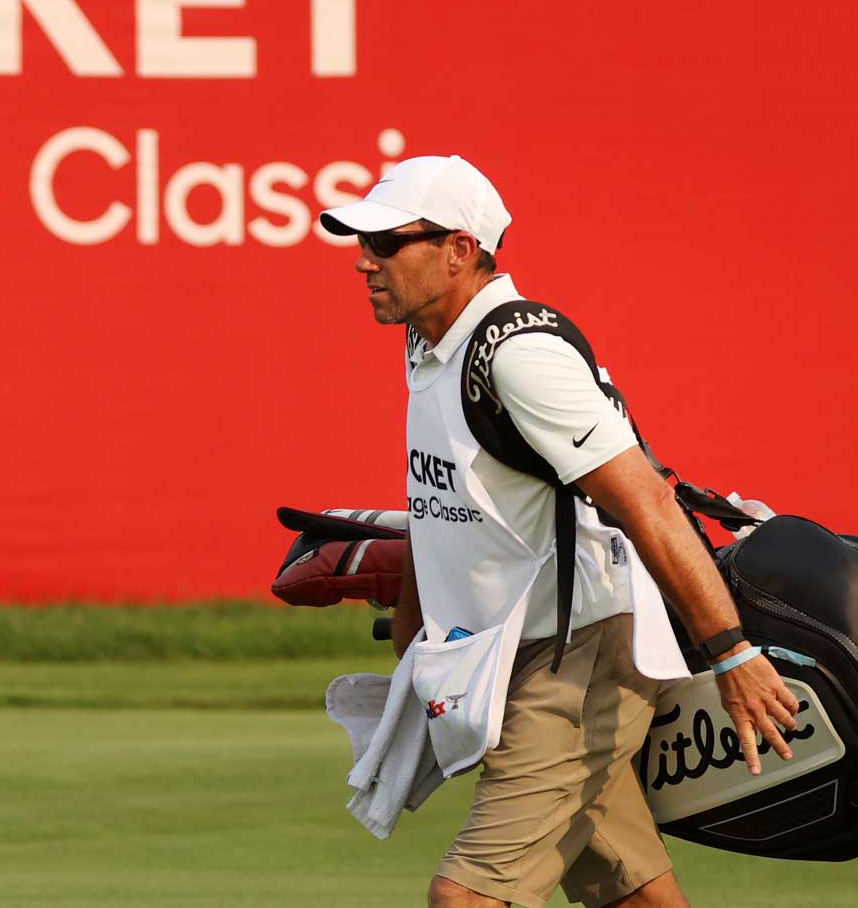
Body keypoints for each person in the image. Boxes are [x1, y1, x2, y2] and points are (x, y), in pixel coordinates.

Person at [319, 155, 799, 908]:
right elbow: (437, 497)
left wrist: (732, 653)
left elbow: (647, 502)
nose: (363, 261)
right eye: (362, 243)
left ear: (459, 250)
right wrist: (418, 637)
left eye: (386, 243)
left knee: (468, 896)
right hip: (510, 657)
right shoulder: (429, 338)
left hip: (581, 659)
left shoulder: (518, 355)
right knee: (631, 890)